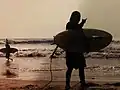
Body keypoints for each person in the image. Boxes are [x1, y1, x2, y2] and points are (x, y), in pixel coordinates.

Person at [50, 11, 89, 90]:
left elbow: (82, 36)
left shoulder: (78, 27)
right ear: (73, 17)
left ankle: (82, 82)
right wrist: (82, 23)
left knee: (81, 67)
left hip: (78, 50)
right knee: (70, 68)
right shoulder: (70, 24)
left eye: (78, 17)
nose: (78, 19)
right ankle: (67, 84)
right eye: (77, 17)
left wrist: (86, 46)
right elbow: (73, 30)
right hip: (71, 50)